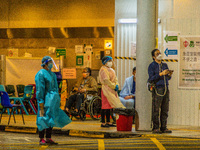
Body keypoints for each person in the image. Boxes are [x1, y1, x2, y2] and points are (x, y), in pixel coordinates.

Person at [35, 56, 71, 145]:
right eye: (50, 62)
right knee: (42, 117)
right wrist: (40, 101)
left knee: (51, 119)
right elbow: (40, 89)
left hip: (52, 101)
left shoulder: (52, 74)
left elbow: (55, 87)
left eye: (52, 62)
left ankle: (48, 137)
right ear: (45, 63)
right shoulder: (41, 74)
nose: (51, 64)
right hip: (43, 100)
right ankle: (41, 138)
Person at [148, 49, 173, 134]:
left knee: (165, 109)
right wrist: (160, 74)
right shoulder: (152, 66)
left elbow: (168, 78)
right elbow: (151, 78)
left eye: (160, 53)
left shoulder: (164, 65)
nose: (159, 55)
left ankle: (163, 127)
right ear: (153, 57)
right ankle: (155, 127)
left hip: (166, 88)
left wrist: (169, 74)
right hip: (158, 88)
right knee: (156, 109)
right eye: (157, 54)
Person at [99, 56, 125, 127]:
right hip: (106, 89)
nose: (111, 62)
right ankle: (103, 122)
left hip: (112, 89)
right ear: (105, 62)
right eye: (109, 61)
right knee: (105, 106)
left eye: (111, 61)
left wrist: (117, 85)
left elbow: (115, 79)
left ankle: (108, 121)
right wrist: (113, 86)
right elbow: (106, 80)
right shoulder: (103, 70)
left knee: (110, 106)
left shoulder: (112, 70)